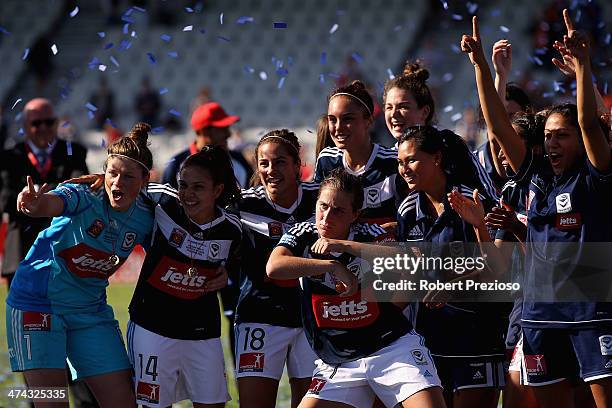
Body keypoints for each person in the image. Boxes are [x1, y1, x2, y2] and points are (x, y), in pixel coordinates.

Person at [461, 11, 612, 407]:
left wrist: (582, 67)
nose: (553, 144)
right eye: (548, 137)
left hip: (591, 308)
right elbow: (497, 128)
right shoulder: (536, 176)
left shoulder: (596, 175)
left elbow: (592, 123)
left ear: (579, 141)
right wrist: (481, 68)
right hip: (541, 312)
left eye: (563, 136)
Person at [267, 168, 446, 408]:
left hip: (391, 350)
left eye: (338, 211)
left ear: (355, 214)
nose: (326, 217)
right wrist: (332, 266)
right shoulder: (303, 234)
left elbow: (410, 262)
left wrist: (344, 245)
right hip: (338, 362)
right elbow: (274, 267)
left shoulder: (367, 234)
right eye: (323, 206)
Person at [6, 122, 156, 407]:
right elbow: (52, 203)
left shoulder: (147, 217)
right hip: (36, 303)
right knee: (51, 401)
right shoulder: (85, 194)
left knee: (124, 402)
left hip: (89, 311)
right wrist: (35, 203)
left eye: (127, 177)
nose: (116, 183)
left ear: (144, 179)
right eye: (112, 173)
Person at [396, 125, 507, 408]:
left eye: (411, 160)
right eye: (400, 162)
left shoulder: (472, 200)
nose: (404, 169)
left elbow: (498, 270)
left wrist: (480, 226)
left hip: (478, 333)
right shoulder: (408, 210)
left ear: (437, 158)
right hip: (430, 337)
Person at [128, 146, 242, 407]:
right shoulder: (163, 201)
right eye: (184, 185)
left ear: (217, 190)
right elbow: (124, 181)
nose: (188, 194)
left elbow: (240, 266)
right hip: (152, 326)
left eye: (198, 187)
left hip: (202, 329)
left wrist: (227, 277)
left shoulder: (232, 229)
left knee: (212, 404)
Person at [235, 130, 319, 408]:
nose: (271, 170)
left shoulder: (320, 200)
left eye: (280, 162)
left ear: (298, 164)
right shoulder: (243, 204)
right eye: (264, 163)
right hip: (259, 317)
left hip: (311, 319)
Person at [0, 98, 89, 289]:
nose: (43, 127)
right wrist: (25, 196)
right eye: (36, 123)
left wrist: (38, 194)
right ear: (25, 125)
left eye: (48, 122)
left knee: (62, 317)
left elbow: (80, 188)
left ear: (56, 123)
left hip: (64, 250)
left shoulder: (74, 152)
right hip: (21, 253)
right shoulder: (8, 157)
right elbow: (5, 200)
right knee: (23, 318)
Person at [382, 62, 499, 202]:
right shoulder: (386, 160)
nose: (394, 114)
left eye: (403, 107)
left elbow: (489, 197)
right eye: (389, 108)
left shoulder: (450, 145)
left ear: (425, 111)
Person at [314, 80, 402, 226]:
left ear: (368, 120)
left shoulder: (393, 162)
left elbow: (405, 223)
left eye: (347, 119)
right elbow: (318, 216)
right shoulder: (326, 160)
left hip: (383, 247)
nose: (338, 128)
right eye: (332, 120)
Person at [162, 102, 253, 189]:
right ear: (203, 131)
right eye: (222, 129)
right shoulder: (176, 165)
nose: (228, 134)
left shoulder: (239, 161)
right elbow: (167, 204)